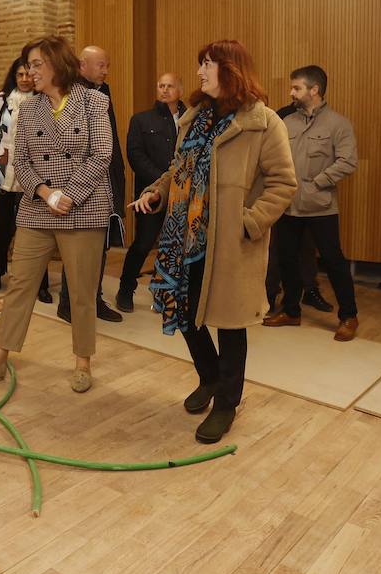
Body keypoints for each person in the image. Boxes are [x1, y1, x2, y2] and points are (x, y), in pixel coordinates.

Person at [132, 40, 296, 443]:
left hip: (230, 243)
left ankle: (226, 403)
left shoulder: (264, 122)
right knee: (185, 313)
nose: (201, 72)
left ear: (231, 70)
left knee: (229, 324)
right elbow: (179, 169)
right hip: (183, 238)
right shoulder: (195, 117)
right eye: (200, 64)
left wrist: (250, 222)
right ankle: (210, 378)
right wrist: (157, 190)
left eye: (208, 64)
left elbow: (283, 182)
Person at [0, 35, 113, 393]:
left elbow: (102, 153)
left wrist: (69, 195)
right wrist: (46, 193)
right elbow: (21, 161)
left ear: (58, 64)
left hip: (83, 208)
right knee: (20, 286)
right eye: (27, 65)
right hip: (37, 208)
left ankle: (82, 362)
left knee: (81, 292)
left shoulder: (93, 101)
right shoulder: (27, 109)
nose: (29, 72)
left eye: (36, 65)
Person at [263, 65, 361, 341]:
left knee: (333, 261)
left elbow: (348, 161)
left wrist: (317, 182)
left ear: (314, 90)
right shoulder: (287, 123)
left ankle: (349, 316)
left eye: (296, 87)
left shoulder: (338, 124)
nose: (291, 92)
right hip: (288, 205)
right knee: (287, 260)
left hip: (321, 206)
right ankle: (291, 310)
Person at [0, 54, 52, 300]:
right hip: (3, 174)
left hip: (34, 176)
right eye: (19, 74)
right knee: (3, 225)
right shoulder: (2, 99)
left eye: (28, 74)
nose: (24, 79)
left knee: (37, 230)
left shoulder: (45, 100)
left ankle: (40, 283)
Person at [57, 44, 124, 324]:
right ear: (82, 65)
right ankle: (68, 303)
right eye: (101, 65)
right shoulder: (69, 95)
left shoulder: (102, 92)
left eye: (107, 65)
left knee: (99, 244)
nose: (106, 71)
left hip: (105, 178)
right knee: (76, 246)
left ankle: (93, 299)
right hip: (81, 180)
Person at [116, 72, 185, 312]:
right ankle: (126, 288)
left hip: (184, 196)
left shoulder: (192, 120)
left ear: (180, 90)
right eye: (161, 86)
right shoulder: (141, 120)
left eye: (170, 86)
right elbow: (135, 155)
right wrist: (161, 183)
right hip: (150, 195)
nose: (164, 90)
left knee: (176, 247)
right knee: (143, 244)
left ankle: (165, 294)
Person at [264, 100, 332, 315]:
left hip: (308, 195)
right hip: (281, 193)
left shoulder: (322, 119)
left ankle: (310, 291)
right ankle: (269, 295)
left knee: (307, 246)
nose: (293, 92)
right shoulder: (282, 116)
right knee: (276, 249)